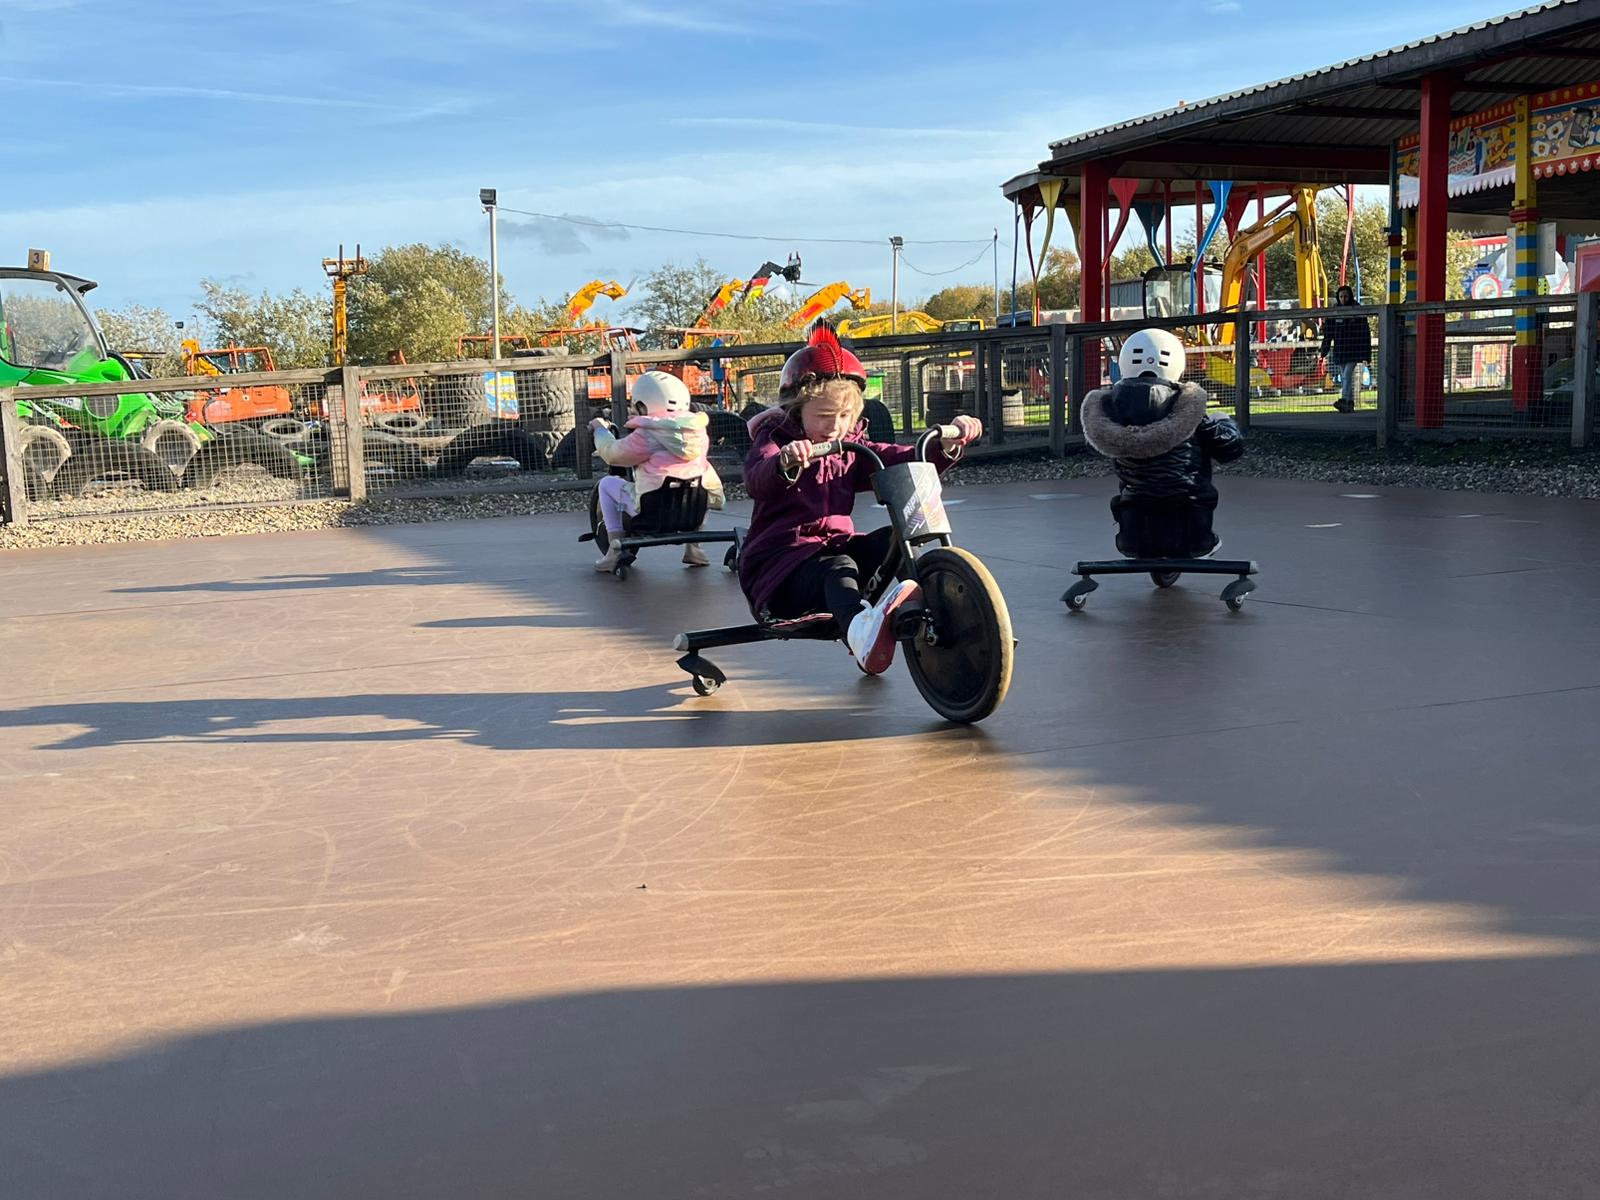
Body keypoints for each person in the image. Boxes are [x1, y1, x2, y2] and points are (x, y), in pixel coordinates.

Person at [739, 320, 981, 675]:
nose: (835, 426)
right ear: (795, 411)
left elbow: (897, 457)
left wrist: (944, 445)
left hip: (832, 552)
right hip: (780, 572)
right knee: (838, 566)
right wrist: (784, 462)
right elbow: (757, 477)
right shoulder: (776, 441)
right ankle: (861, 633)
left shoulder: (850, 448)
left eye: (845, 416)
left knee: (895, 539)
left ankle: (951, 619)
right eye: (823, 416)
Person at [1082, 328, 1244, 559]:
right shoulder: (1191, 410)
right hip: (1193, 533)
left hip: (1132, 536)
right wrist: (1223, 423)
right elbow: (1230, 451)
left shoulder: (1108, 414)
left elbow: (1093, 446)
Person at [588, 370, 724, 572]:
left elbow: (613, 454)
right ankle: (694, 548)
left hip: (651, 511)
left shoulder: (647, 434)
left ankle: (614, 550)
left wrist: (600, 430)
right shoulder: (698, 431)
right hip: (693, 509)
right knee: (697, 479)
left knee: (607, 484)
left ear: (643, 404)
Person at [1319, 285, 1371, 413]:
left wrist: (1366, 354)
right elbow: (1329, 333)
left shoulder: (1357, 309)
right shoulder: (1335, 311)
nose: (1343, 299)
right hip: (1340, 349)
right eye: (1341, 296)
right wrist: (1324, 350)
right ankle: (1349, 403)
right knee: (1344, 376)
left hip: (1353, 349)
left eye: (1345, 296)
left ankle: (1343, 399)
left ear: (1350, 296)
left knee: (1347, 375)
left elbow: (1364, 332)